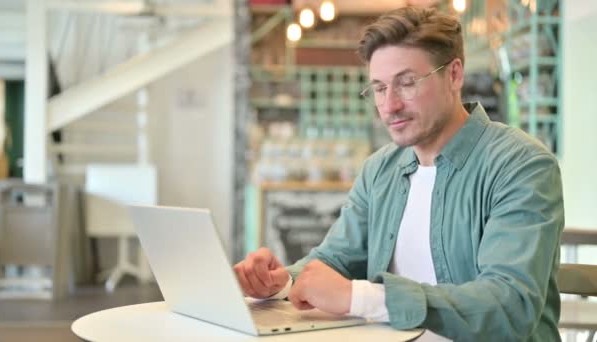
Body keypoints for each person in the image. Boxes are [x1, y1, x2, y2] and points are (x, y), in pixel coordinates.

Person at [234, 6, 564, 341]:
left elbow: (510, 306)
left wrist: (361, 298)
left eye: (407, 83)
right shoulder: (380, 169)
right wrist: (282, 282)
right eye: (378, 88)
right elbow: (336, 258)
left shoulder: (521, 165)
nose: (389, 105)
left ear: (454, 75)